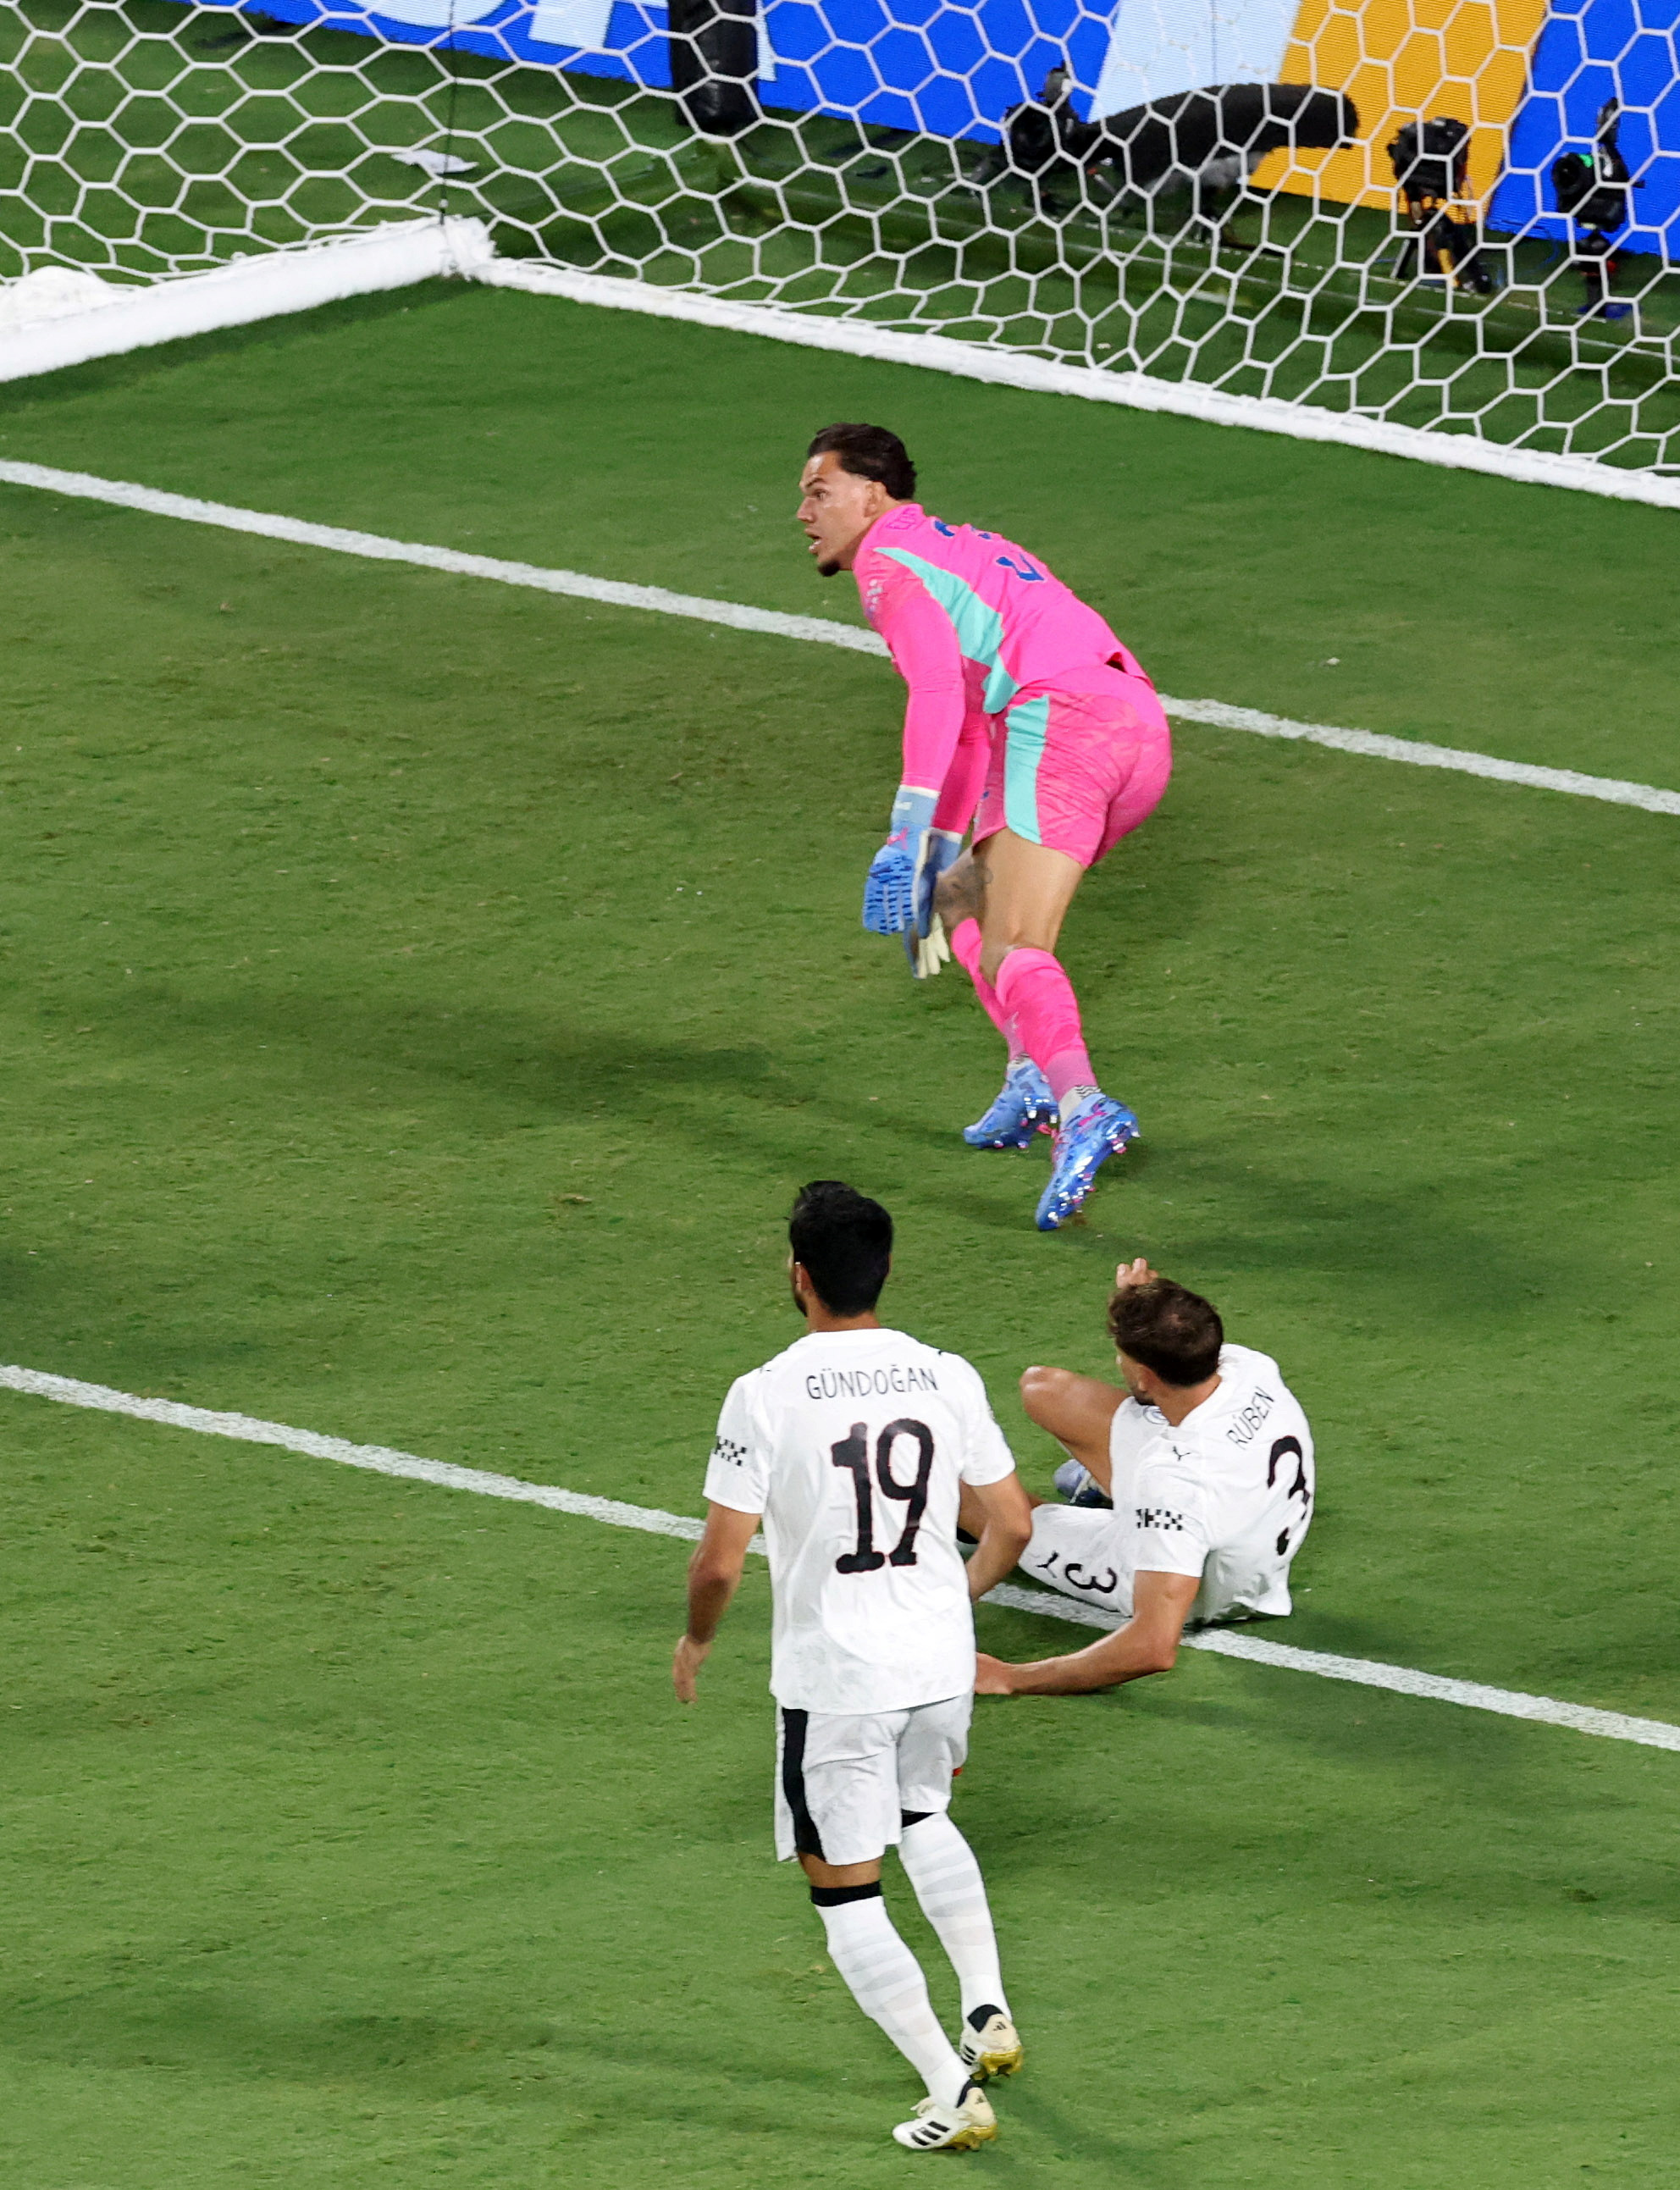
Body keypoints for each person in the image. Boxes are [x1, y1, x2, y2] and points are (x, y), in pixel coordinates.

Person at [676, 1181, 1039, 2152]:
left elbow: (718, 1560)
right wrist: (948, 1605)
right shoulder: (944, 1372)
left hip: (837, 1680)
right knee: (923, 1815)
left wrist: (699, 1637)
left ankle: (947, 2091)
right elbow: (1012, 1521)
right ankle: (986, 2007)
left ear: (799, 1277)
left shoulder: (764, 1393)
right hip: (936, 1664)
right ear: (886, 1271)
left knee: (845, 1893)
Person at [797, 423, 1174, 1230]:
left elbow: (934, 693)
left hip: (1062, 724)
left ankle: (1081, 1106)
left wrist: (904, 831)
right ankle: (1030, 1075)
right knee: (957, 895)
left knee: (1014, 946)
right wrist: (934, 850)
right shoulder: (962, 546)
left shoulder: (885, 563)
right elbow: (968, 725)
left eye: (818, 492)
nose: (805, 512)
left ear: (872, 494)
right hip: (1131, 727)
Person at [978, 1260, 1315, 1696]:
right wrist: (1150, 1301)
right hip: (1244, 1506)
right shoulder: (1246, 1367)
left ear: (1145, 1375)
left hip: (1211, 1591)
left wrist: (1010, 1677)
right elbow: (1184, 1331)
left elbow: (1153, 1647)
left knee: (992, 1512)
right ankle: (1109, 1493)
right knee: (1043, 1389)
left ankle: (1108, 1508)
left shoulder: (1174, 1480)